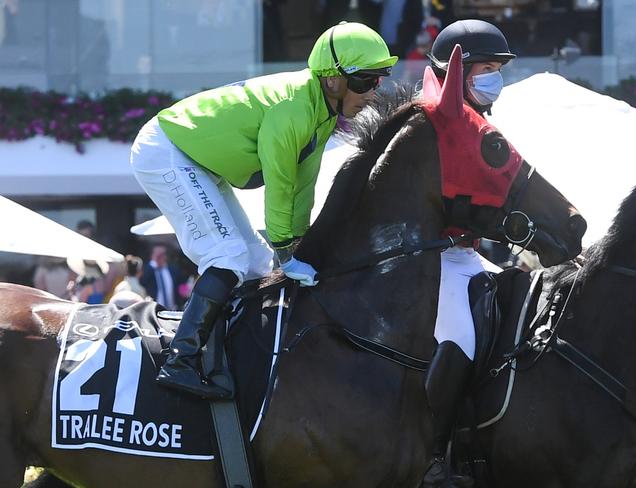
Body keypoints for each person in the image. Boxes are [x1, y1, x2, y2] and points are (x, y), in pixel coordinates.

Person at [130, 21, 397, 399]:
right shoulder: (294, 108)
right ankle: (181, 361)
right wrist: (287, 249)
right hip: (167, 151)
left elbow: (305, 183)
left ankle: (228, 356)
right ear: (333, 80)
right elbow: (281, 181)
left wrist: (299, 244)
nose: (373, 92)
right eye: (366, 81)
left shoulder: (321, 110)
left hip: (199, 160)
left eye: (379, 81)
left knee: (257, 262)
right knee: (228, 255)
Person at [422, 19, 516, 487]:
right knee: (459, 336)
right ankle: (432, 455)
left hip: (467, 254)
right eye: (485, 68)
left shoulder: (482, 125)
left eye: (498, 68)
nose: (494, 77)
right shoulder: (427, 126)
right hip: (431, 256)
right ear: (454, 71)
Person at [140, 244, 183, 311]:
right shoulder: (147, 270)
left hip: (172, 309)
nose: (160, 257)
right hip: (153, 310)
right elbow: (142, 282)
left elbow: (181, 287)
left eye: (163, 254)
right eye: (158, 255)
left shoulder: (173, 270)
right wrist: (153, 264)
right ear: (152, 255)